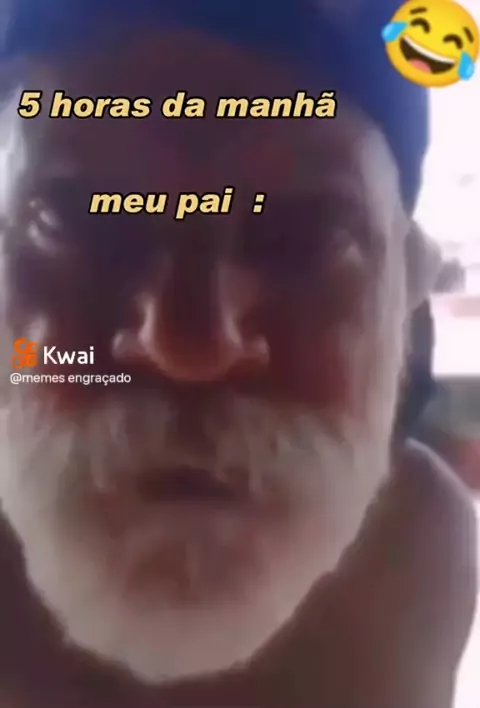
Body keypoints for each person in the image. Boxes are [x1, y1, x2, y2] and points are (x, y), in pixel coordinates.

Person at [0, 2, 477, 707]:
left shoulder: (424, 552)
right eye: (79, 221)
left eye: (302, 237)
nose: (188, 347)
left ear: (403, 289)